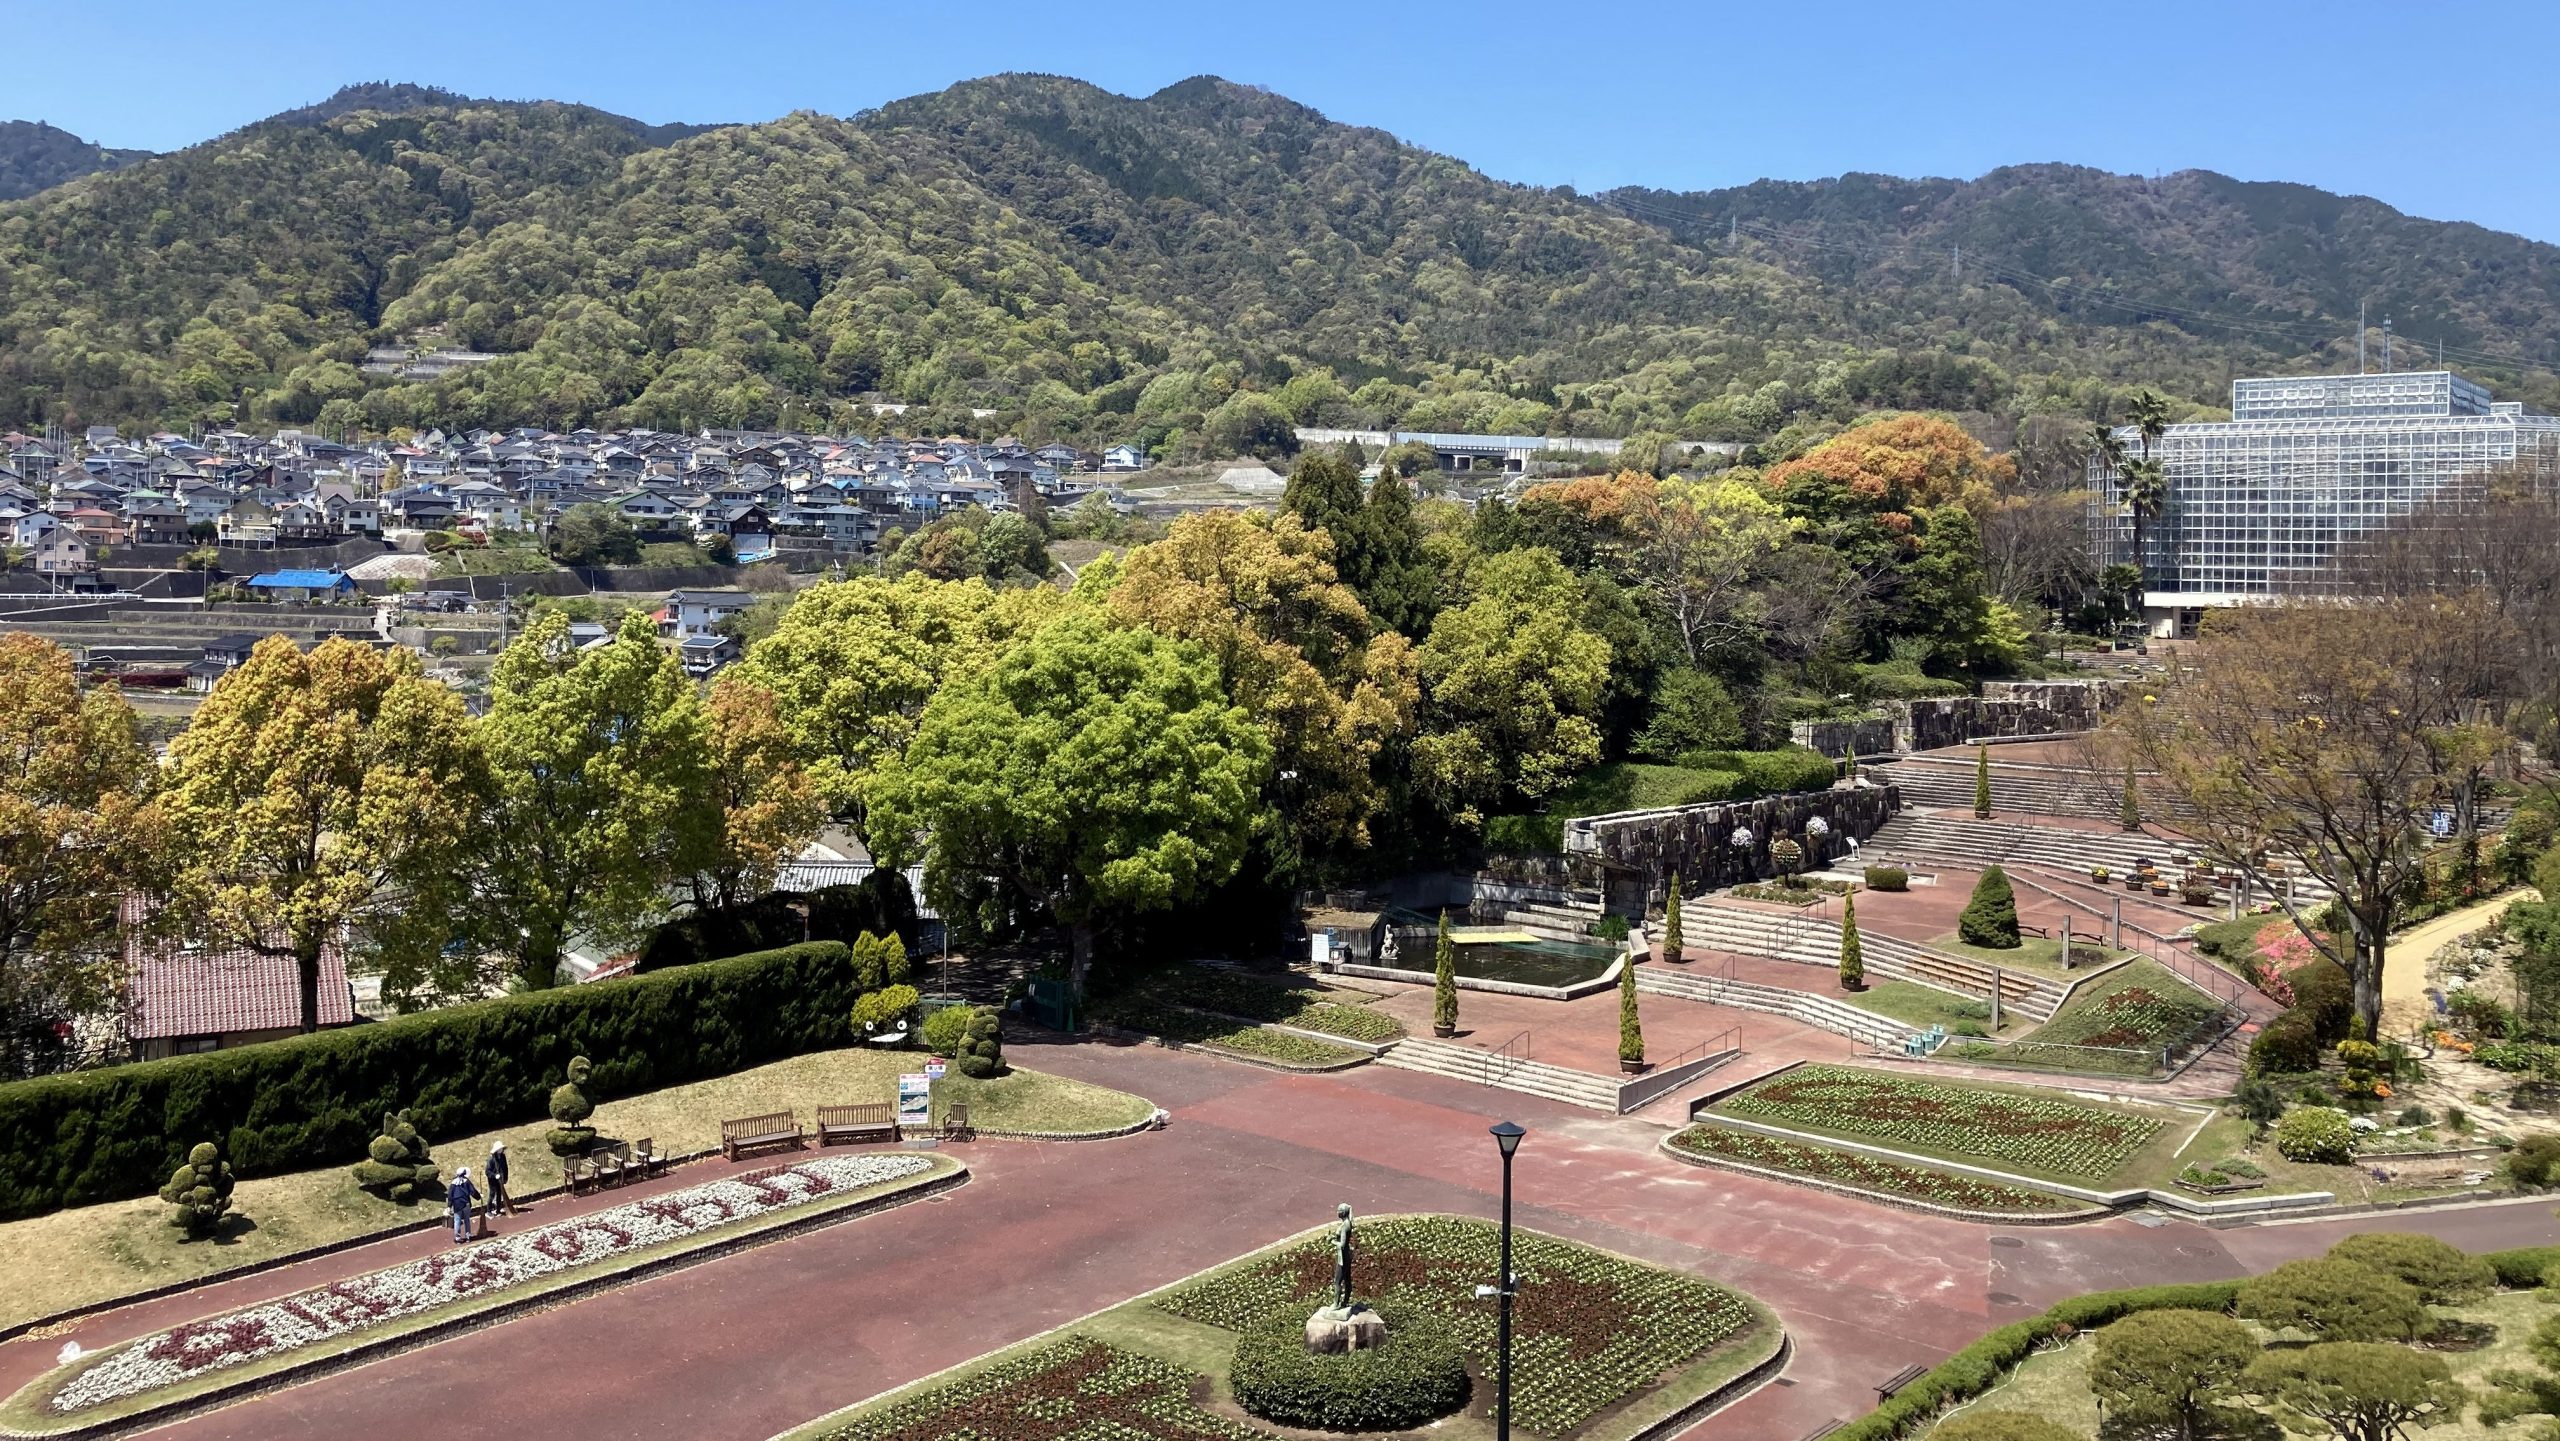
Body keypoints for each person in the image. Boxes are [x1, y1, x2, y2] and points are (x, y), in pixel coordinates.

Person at [447, 1165, 479, 1245]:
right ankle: (468, 1237)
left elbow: (450, 1195)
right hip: (466, 1203)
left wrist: (449, 1206)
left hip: (457, 1204)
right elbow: (473, 1191)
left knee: (457, 1221)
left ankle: (457, 1238)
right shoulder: (466, 1181)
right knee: (467, 1220)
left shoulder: (453, 1183)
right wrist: (478, 1197)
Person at [485, 1140, 513, 1219]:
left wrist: (505, 1177)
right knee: (492, 1195)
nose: (501, 1150)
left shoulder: (503, 1157)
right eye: (499, 1149)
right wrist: (494, 1176)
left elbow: (505, 1167)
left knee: (499, 1195)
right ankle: (488, 1211)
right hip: (493, 1181)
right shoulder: (491, 1159)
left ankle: (498, 1210)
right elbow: (487, 1171)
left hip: (500, 1179)